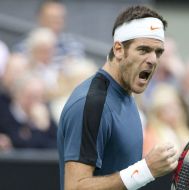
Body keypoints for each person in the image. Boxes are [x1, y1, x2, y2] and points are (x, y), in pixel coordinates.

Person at [57, 5, 178, 190]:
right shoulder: (91, 104)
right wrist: (145, 170)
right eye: (144, 50)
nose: (153, 60)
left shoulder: (127, 94)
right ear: (119, 49)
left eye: (158, 52)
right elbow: (74, 187)